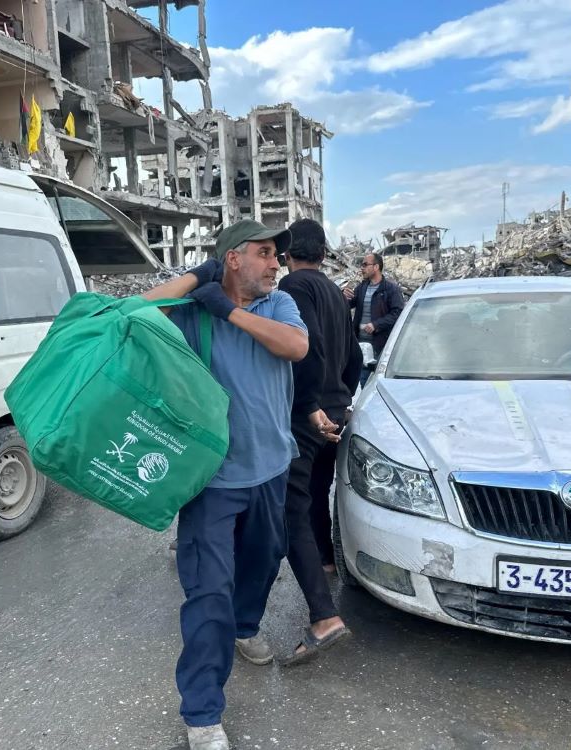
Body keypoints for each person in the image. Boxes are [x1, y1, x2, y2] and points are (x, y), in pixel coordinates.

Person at [143, 220, 308, 750]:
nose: (276, 264)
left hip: (272, 468)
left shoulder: (278, 305)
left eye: (276, 255)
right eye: (265, 253)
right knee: (209, 591)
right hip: (212, 479)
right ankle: (202, 713)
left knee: (264, 561)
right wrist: (196, 279)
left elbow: (296, 347)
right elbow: (134, 316)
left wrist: (229, 311)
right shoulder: (193, 313)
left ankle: (245, 625)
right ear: (233, 259)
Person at [277, 219, 362, 666]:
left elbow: (303, 349)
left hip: (309, 415)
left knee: (291, 509)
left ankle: (324, 616)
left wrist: (311, 405)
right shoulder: (333, 291)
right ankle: (327, 560)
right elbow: (355, 356)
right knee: (317, 492)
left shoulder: (292, 287)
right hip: (336, 409)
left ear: (286, 254)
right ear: (324, 254)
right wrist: (340, 399)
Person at [344, 253, 405, 382]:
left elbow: (398, 313)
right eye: (362, 265)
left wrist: (376, 325)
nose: (362, 268)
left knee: (379, 382)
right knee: (363, 381)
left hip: (381, 346)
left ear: (376, 267)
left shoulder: (391, 289)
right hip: (361, 345)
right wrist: (342, 296)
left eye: (365, 265)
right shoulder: (361, 288)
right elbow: (347, 305)